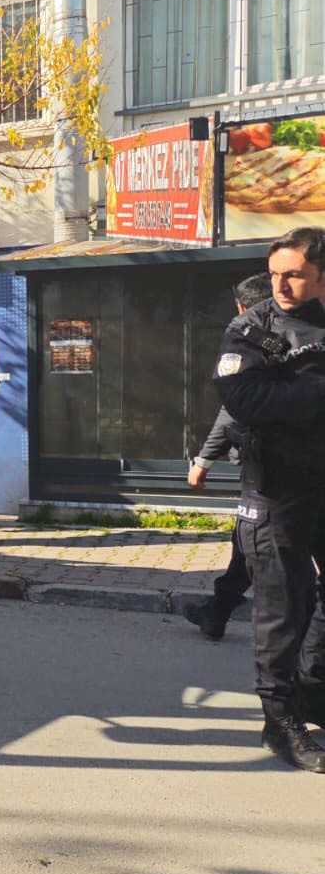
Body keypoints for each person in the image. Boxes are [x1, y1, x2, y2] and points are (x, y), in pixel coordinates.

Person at [215, 226, 325, 772]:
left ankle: (311, 691)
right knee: (283, 603)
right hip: (276, 485)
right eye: (275, 272)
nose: (280, 284)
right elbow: (246, 396)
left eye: (294, 274)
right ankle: (280, 721)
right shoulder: (252, 327)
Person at [183, 273, 269, 640]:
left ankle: (219, 610)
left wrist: (203, 461)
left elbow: (234, 408)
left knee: (254, 539)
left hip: (271, 465)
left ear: (240, 306)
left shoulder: (252, 340)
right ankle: (217, 610)